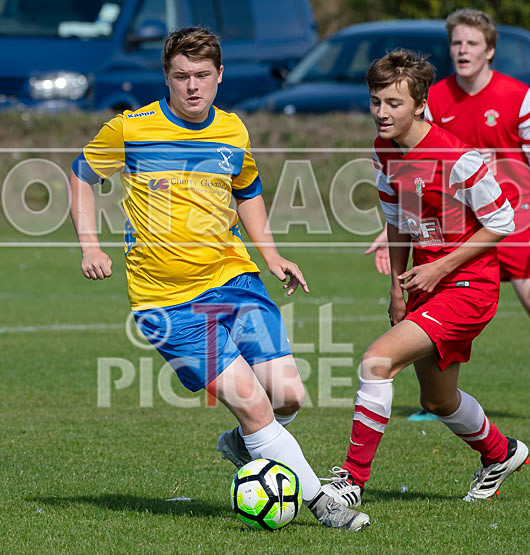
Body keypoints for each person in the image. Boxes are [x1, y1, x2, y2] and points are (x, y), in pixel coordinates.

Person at [67, 26, 370, 529]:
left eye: (202, 75)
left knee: (288, 395)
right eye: (181, 75)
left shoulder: (233, 130)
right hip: (167, 304)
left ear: (220, 76)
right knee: (254, 407)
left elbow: (247, 190)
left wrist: (271, 255)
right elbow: (81, 174)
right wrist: (90, 245)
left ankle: (245, 444)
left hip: (233, 279)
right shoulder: (131, 129)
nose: (192, 86)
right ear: (166, 77)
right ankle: (324, 504)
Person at [366, 8, 530, 427]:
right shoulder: (432, 99)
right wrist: (396, 230)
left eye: (472, 43)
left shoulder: (517, 95)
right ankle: (437, 398)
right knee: (441, 303)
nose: (462, 50)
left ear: (490, 50)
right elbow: (413, 170)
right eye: (456, 42)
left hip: (510, 222)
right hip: (452, 229)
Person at [322, 48, 529, 507]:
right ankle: (501, 454)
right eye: (376, 101)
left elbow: (503, 220)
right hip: (423, 285)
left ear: (420, 104)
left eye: (393, 103)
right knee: (437, 401)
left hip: (468, 288)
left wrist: (440, 266)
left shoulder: (458, 157)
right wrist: (396, 287)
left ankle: (350, 482)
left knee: (377, 361)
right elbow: (397, 221)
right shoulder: (383, 150)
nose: (381, 112)